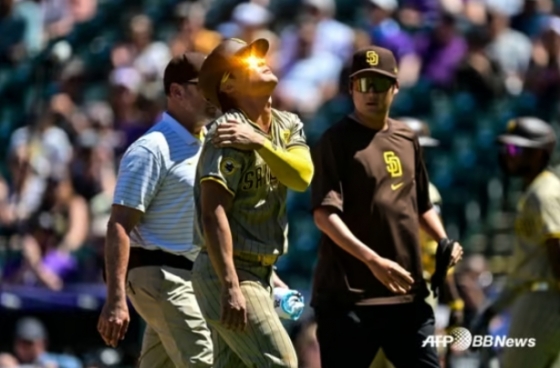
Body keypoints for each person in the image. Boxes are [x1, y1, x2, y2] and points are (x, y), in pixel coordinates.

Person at [310, 46, 463, 368]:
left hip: (407, 297)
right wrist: (373, 260)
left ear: (395, 87)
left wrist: (442, 239)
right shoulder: (334, 140)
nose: (371, 93)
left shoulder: (407, 138)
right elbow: (324, 215)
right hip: (349, 297)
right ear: (351, 88)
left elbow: (421, 203)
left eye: (380, 84)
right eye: (363, 84)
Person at [192, 37, 313, 368]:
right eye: (245, 60)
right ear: (228, 84)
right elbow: (212, 213)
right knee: (282, 363)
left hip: (259, 271)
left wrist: (259, 142)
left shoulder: (287, 123)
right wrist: (231, 285)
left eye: (259, 55)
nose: (260, 60)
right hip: (228, 272)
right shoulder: (227, 132)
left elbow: (302, 176)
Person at [97, 52, 218, 368]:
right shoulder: (151, 148)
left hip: (192, 277)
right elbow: (119, 226)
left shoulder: (209, 144)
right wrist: (115, 299)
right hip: (160, 275)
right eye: (204, 85)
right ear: (177, 92)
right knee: (206, 362)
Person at [473, 117, 560, 368]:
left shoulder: (544, 194)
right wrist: (494, 308)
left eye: (516, 149)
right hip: (536, 295)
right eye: (506, 148)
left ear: (538, 154)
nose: (508, 155)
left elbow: (557, 248)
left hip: (544, 299)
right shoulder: (536, 191)